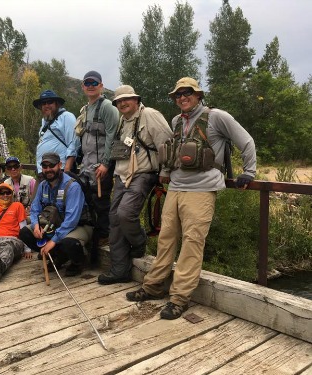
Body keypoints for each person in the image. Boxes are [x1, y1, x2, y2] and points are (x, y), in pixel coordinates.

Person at [125, 77, 257, 320]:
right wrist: (165, 176)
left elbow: (246, 141)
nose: (182, 98)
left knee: (192, 243)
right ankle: (153, 286)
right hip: (175, 188)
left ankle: (179, 298)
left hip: (202, 190)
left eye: (187, 93)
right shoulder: (176, 121)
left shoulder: (217, 117)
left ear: (198, 95)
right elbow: (171, 154)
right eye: (178, 95)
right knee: (165, 239)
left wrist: (249, 172)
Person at [98, 85, 173, 285]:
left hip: (143, 174)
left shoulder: (149, 115)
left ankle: (139, 242)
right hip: (121, 175)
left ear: (136, 100)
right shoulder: (123, 121)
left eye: (127, 99)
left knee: (125, 213)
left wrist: (165, 172)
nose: (122, 103)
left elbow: (167, 144)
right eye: (119, 101)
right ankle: (119, 270)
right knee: (114, 219)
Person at [19, 152, 93, 277]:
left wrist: (53, 240)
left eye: (51, 166)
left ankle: (78, 262)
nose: (48, 170)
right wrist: (36, 225)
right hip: (53, 225)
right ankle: (57, 257)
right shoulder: (43, 185)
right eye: (44, 166)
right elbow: (35, 209)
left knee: (67, 242)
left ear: (59, 165)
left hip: (78, 226)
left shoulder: (72, 186)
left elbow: (71, 220)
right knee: (25, 232)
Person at [75, 70, 120, 254]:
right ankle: (93, 237)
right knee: (89, 202)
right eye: (87, 83)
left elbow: (112, 135)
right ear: (83, 86)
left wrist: (106, 164)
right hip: (86, 166)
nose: (91, 86)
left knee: (102, 203)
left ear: (101, 85)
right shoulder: (85, 109)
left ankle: (105, 236)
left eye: (95, 83)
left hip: (101, 167)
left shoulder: (107, 107)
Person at [33, 90, 79, 174]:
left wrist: (67, 170)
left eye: (50, 102)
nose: (46, 105)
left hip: (59, 171)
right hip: (43, 171)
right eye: (43, 103)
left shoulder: (67, 117)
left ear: (56, 104)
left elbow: (73, 143)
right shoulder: (44, 122)